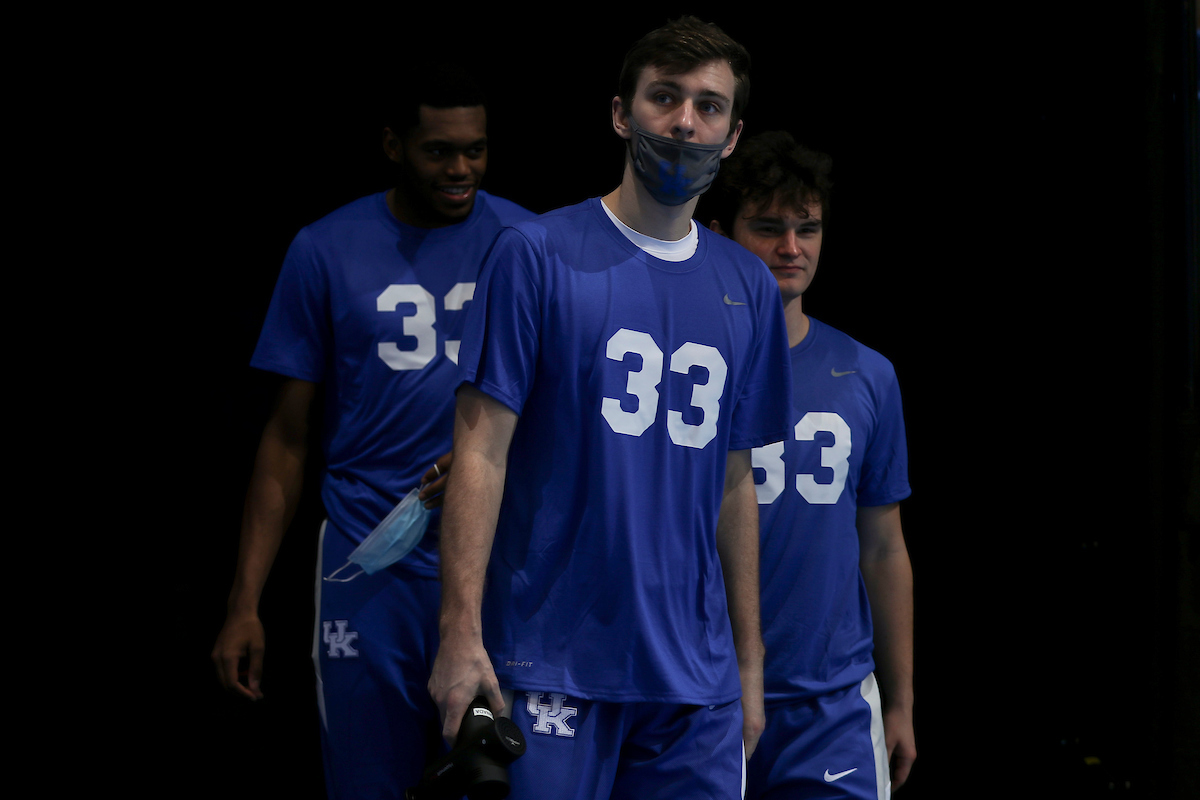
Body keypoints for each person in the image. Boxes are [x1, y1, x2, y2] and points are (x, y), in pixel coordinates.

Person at [427, 16, 793, 800]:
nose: (685, 122)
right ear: (622, 113)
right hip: (551, 662)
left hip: (695, 684)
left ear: (732, 135)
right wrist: (459, 632)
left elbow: (737, 484)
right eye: (665, 97)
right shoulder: (533, 254)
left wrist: (749, 666)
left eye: (709, 106)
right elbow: (480, 452)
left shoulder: (750, 288)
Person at [210, 70, 535, 798]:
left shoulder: (528, 242)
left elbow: (570, 411)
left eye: (476, 150)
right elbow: (286, 439)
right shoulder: (324, 249)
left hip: (498, 560)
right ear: (393, 145)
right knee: (369, 785)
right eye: (439, 151)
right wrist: (244, 601)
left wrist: (494, 458)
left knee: (498, 781)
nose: (461, 169)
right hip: (368, 563)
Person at [702, 130, 916, 799]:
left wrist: (901, 699)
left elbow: (883, 548)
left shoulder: (868, 374)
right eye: (768, 228)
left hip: (832, 704)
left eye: (808, 229)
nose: (791, 248)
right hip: (701, 694)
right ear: (720, 235)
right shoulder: (684, 373)